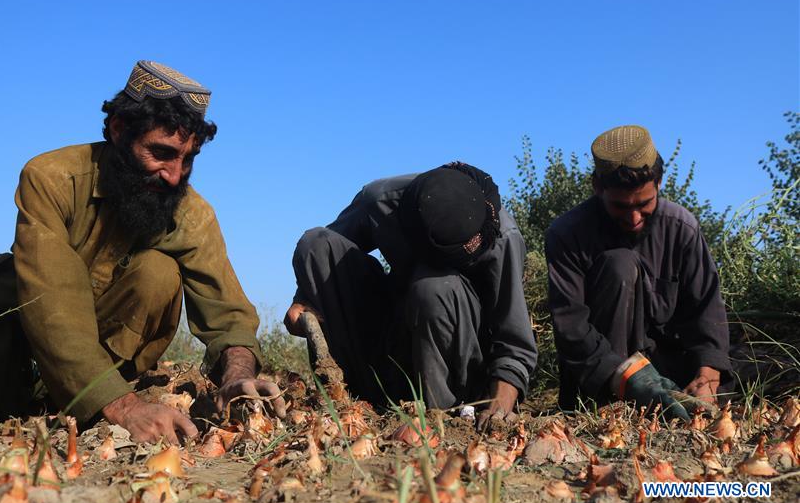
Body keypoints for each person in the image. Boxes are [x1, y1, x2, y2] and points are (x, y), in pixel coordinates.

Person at [0, 60, 285, 443]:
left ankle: (81, 404)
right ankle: (39, 401)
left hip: (107, 364)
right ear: (119, 130)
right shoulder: (52, 177)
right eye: (161, 153)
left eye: (188, 159)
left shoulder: (192, 214)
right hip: (12, 329)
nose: (174, 175)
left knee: (157, 272)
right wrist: (124, 408)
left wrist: (237, 376)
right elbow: (51, 299)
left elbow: (227, 311)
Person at [284, 162, 537, 429]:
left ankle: (442, 416)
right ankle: (350, 402)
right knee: (315, 244)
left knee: (433, 287)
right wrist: (304, 299)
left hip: (458, 360)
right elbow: (323, 260)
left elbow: (515, 341)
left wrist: (500, 402)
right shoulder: (380, 200)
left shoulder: (501, 237)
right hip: (393, 339)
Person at [545, 124, 731, 419]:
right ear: (597, 188)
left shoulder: (682, 228)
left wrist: (708, 375)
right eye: (620, 206)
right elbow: (571, 328)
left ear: (659, 183)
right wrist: (626, 377)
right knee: (619, 264)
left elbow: (706, 310)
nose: (634, 218)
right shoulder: (567, 235)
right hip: (599, 383)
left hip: (669, 378)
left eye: (644, 204)